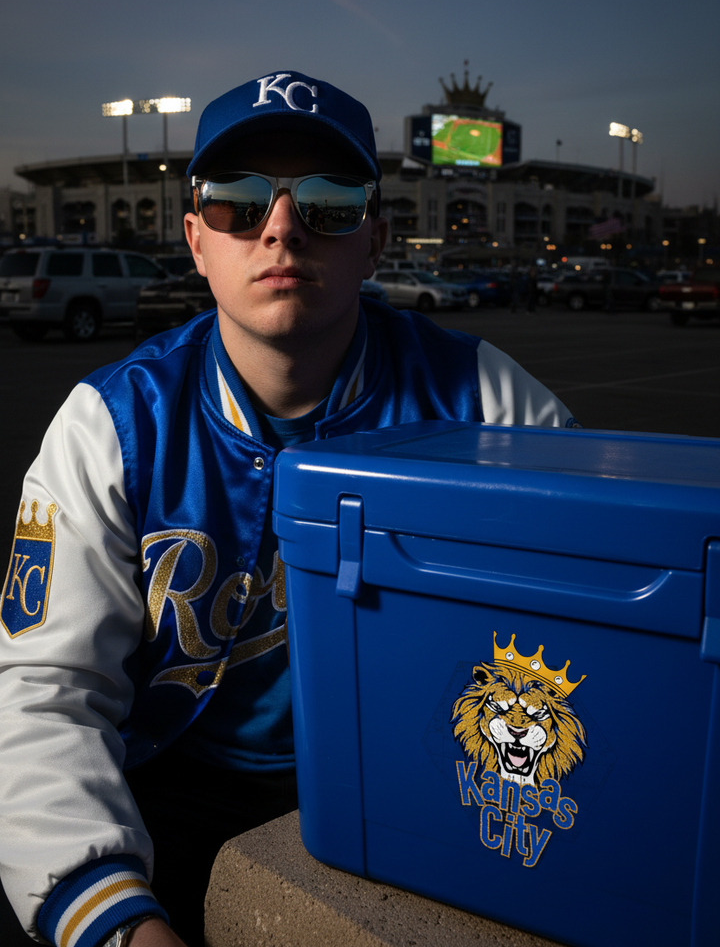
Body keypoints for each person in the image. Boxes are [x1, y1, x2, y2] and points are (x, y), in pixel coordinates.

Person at [0, 71, 579, 947]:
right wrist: (111, 912)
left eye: (330, 203)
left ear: (376, 238)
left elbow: (594, 629)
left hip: (419, 773)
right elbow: (47, 693)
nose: (282, 227)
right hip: (174, 776)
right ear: (196, 239)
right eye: (238, 203)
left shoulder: (487, 397)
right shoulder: (111, 424)